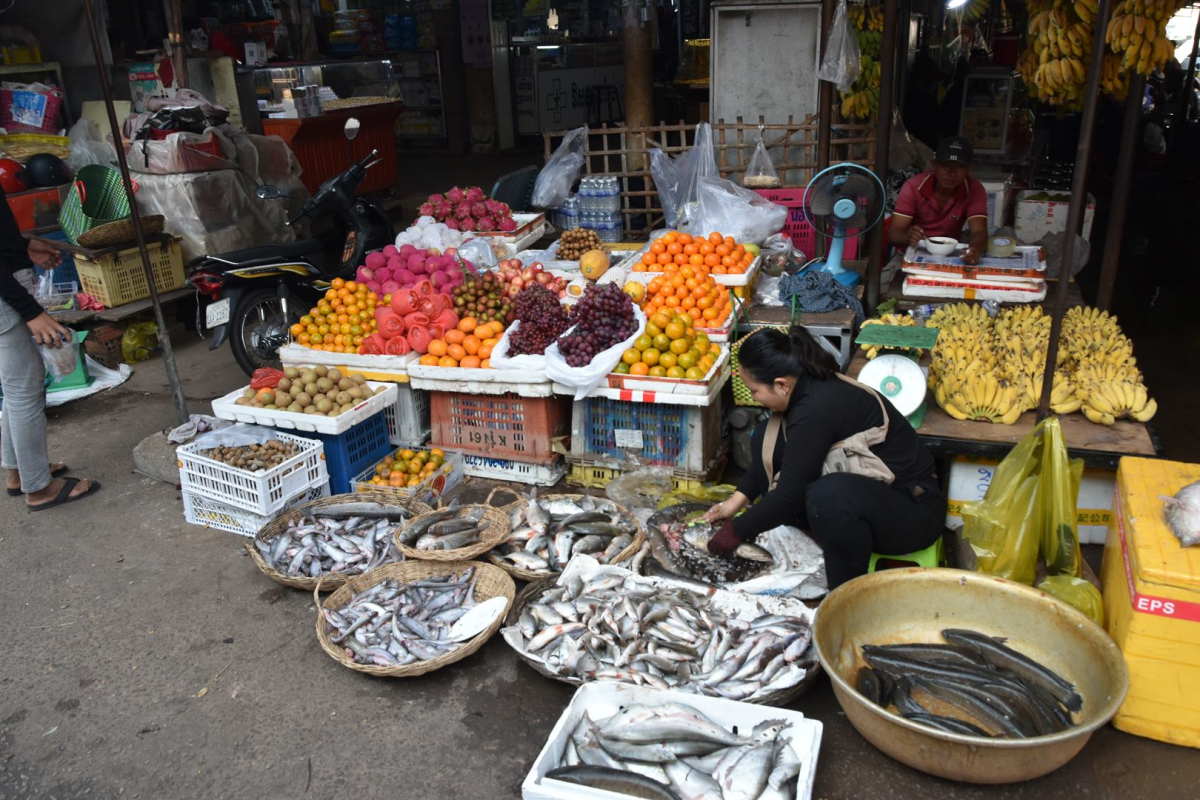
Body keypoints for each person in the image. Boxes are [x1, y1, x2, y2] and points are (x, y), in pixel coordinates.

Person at [704, 327, 945, 588]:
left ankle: (845, 592)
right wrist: (735, 502)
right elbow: (777, 453)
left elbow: (789, 497)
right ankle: (799, 531)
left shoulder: (815, 409)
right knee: (766, 434)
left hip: (913, 514)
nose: (754, 398)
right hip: (874, 495)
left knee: (828, 496)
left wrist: (733, 533)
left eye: (754, 391)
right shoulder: (808, 384)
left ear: (782, 384)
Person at [0, 189, 100, 510]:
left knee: (15, 389)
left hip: (9, 285)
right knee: (25, 392)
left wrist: (25, 245)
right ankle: (39, 488)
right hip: (8, 295)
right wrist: (32, 313)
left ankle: (19, 473)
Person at [887, 136, 989, 269]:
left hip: (951, 255)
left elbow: (980, 231)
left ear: (968, 169)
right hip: (913, 252)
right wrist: (907, 237)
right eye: (946, 165)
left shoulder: (974, 189)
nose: (951, 173)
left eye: (959, 167)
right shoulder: (913, 186)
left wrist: (975, 249)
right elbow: (894, 233)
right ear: (934, 165)